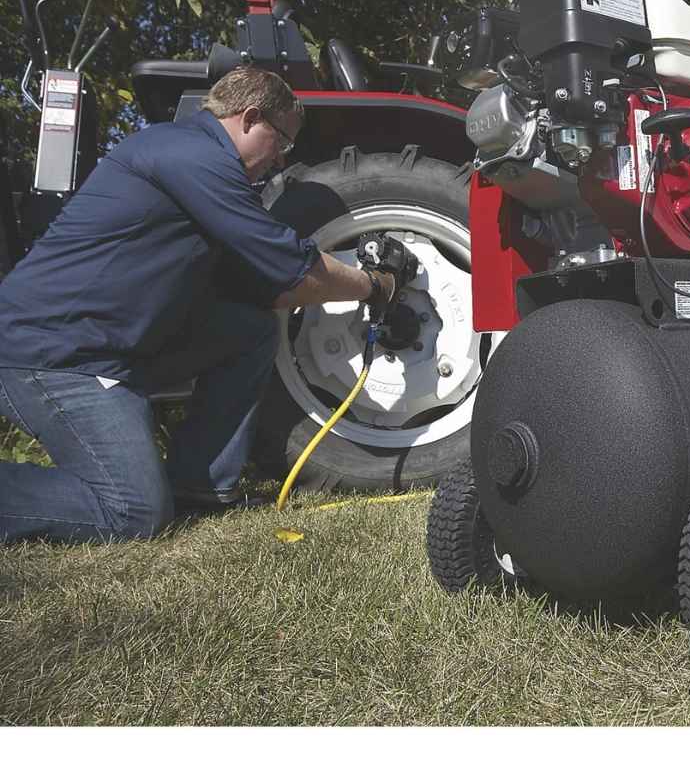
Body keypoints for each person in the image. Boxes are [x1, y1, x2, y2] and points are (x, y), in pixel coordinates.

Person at [0, 67, 396, 544]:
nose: (280, 158)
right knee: (134, 511)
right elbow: (292, 266)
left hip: (112, 346)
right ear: (250, 118)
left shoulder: (191, 157)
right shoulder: (193, 156)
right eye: (282, 141)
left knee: (248, 329)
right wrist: (375, 285)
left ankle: (201, 484)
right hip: (54, 356)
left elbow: (269, 283)